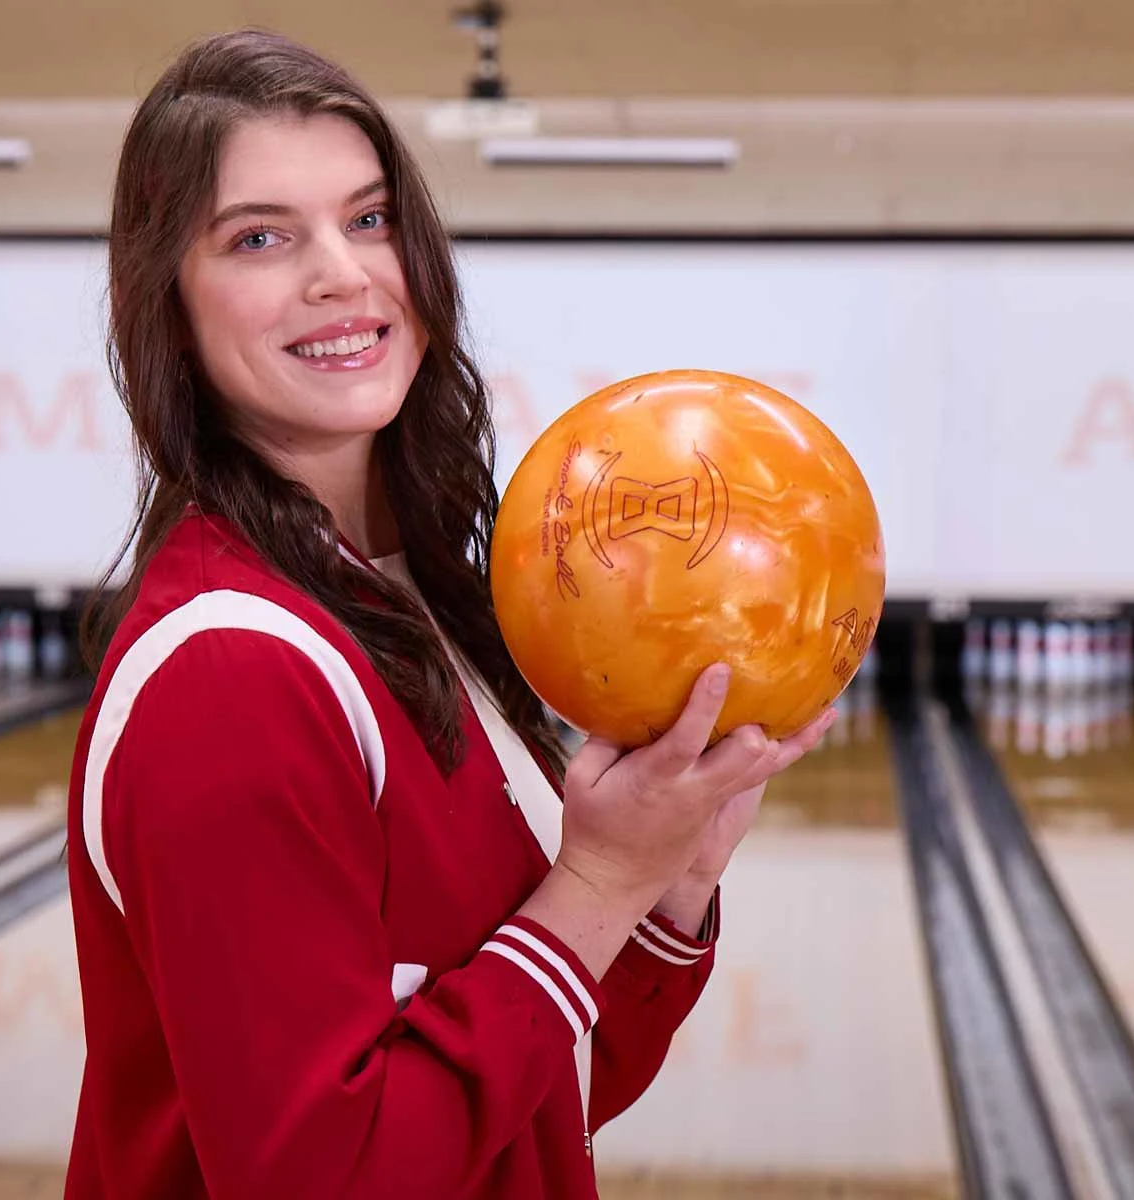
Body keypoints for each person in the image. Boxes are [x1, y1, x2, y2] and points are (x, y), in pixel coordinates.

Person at [64, 28, 833, 1199]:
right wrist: (599, 884)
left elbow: (540, 1093)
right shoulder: (230, 673)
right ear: (165, 306)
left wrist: (670, 877)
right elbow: (325, 1177)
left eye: (369, 220)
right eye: (261, 237)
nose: (342, 273)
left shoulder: (402, 600)